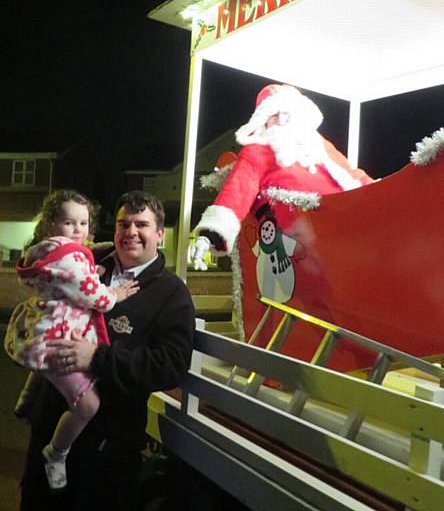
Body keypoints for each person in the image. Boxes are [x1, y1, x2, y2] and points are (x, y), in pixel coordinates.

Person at [18, 189, 195, 511]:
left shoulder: (172, 294)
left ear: (159, 234)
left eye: (141, 225)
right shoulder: (85, 263)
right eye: (123, 224)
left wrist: (97, 357)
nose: (130, 232)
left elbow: (171, 364)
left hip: (106, 449)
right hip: (50, 425)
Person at [4, 189, 139, 491]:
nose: (78, 231)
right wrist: (114, 294)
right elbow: (95, 297)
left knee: (44, 365)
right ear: (52, 224)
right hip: (59, 336)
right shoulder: (70, 258)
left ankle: (27, 398)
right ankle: (56, 453)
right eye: (69, 223)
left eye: (83, 223)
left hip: (43, 326)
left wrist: (90, 267)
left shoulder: (48, 251)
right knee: (88, 404)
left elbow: (74, 273)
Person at [190, 83, 374, 269]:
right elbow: (238, 190)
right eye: (273, 114)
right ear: (263, 120)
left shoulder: (319, 145)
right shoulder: (258, 152)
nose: (280, 120)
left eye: (286, 113)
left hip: (349, 222)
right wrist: (210, 235)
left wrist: (381, 191)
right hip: (305, 238)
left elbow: (353, 175)